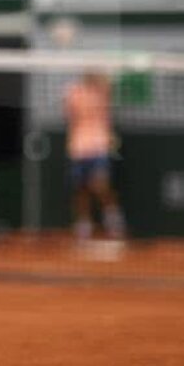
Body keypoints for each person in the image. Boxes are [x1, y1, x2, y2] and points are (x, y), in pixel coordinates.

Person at [64, 71, 125, 242]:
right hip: (78, 148)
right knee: (80, 189)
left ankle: (114, 221)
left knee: (101, 186)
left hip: (99, 147)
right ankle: (84, 224)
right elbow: (69, 112)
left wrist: (99, 77)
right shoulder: (74, 92)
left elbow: (111, 82)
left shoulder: (103, 90)